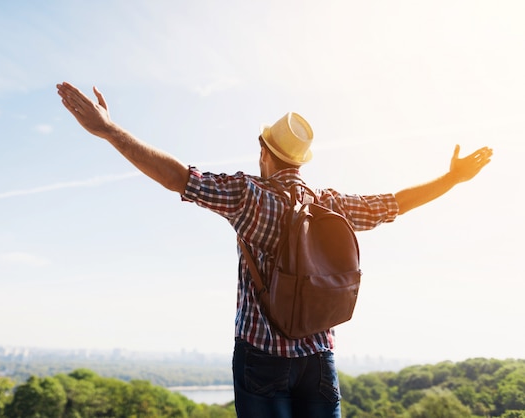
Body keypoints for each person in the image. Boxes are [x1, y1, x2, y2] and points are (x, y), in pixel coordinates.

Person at [56, 81, 493, 418]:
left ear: (265, 152)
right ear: (301, 161)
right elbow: (394, 204)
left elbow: (178, 178)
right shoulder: (331, 204)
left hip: (260, 359)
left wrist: (109, 130)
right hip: (320, 358)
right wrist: (451, 179)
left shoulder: (249, 197)